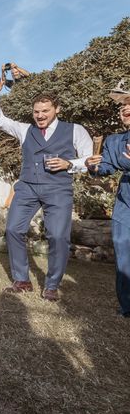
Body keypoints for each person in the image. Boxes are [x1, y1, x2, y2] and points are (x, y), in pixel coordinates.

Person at [0, 80, 93, 301]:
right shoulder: (26, 129)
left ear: (57, 109)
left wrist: (69, 164)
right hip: (27, 187)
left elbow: (89, 159)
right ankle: (22, 280)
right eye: (36, 111)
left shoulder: (75, 130)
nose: (40, 115)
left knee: (57, 236)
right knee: (13, 230)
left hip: (58, 188)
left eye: (45, 110)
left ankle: (52, 284)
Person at [86, 97, 130, 317]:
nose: (125, 109)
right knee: (123, 250)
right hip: (126, 202)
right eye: (122, 107)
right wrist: (92, 166)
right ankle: (127, 306)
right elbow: (106, 168)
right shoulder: (115, 141)